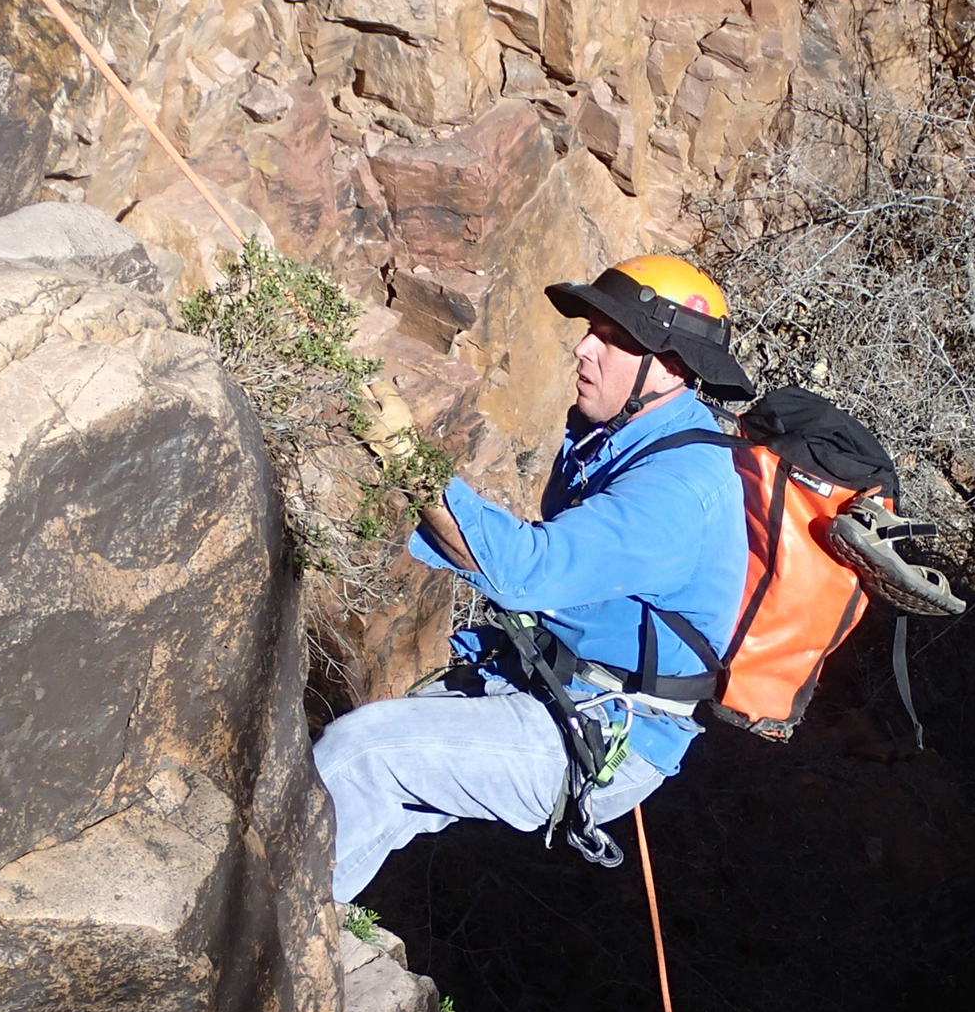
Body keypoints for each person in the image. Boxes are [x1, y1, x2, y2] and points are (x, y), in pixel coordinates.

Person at [313, 254, 753, 903]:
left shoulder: (677, 491)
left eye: (611, 337)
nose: (583, 348)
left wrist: (412, 466)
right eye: (590, 329)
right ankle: (304, 930)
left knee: (364, 755)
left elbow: (524, 572)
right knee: (380, 779)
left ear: (669, 366)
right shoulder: (614, 434)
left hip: (609, 733)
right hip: (550, 686)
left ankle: (261, 955)